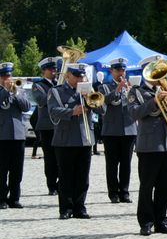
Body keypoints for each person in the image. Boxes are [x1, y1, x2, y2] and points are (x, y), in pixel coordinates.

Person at [128, 55, 167, 236]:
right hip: (148, 145)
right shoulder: (136, 92)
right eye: (154, 72)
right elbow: (134, 113)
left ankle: (161, 220)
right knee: (147, 186)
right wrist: (153, 101)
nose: (158, 76)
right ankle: (146, 221)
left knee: (165, 186)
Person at [48, 63, 103, 219]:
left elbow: (102, 110)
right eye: (76, 76)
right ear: (67, 76)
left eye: (81, 76)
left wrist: (90, 96)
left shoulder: (87, 91)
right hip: (65, 140)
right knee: (65, 177)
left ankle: (80, 207)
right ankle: (65, 208)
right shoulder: (56, 92)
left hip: (85, 138)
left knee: (82, 177)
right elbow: (52, 111)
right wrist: (72, 111)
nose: (80, 78)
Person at [98, 57, 137, 204]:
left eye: (123, 70)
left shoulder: (131, 87)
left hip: (129, 129)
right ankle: (113, 193)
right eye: (118, 70)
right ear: (111, 71)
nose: (121, 73)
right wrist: (118, 89)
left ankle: (125, 192)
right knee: (112, 164)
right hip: (111, 131)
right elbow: (103, 101)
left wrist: (129, 90)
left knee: (126, 164)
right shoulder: (105, 87)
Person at [0, 62, 31, 209]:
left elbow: (26, 107)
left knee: (17, 170)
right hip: (2, 135)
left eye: (9, 75)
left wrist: (16, 93)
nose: (7, 79)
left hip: (18, 135)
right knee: (1, 170)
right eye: (4, 76)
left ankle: (14, 198)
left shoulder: (18, 90)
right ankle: (1, 199)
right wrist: (5, 91)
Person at [32, 56, 61, 195]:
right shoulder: (38, 85)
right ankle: (51, 185)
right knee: (50, 157)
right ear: (44, 71)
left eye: (55, 68)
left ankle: (61, 183)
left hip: (61, 125)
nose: (54, 71)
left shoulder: (59, 83)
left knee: (61, 157)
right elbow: (42, 101)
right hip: (47, 126)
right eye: (51, 69)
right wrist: (56, 90)